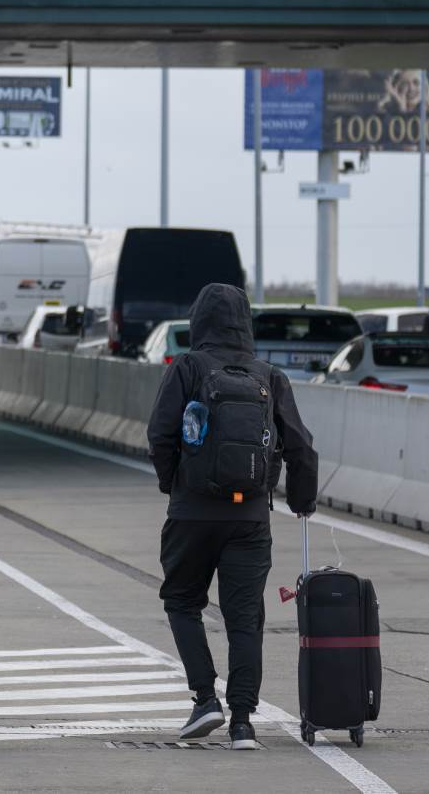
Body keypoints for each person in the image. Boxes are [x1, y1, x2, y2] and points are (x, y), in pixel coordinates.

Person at [147, 282, 318, 751]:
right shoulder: (269, 375)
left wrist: (174, 485)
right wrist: (302, 501)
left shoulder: (188, 367)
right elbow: (302, 446)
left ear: (199, 320)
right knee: (245, 619)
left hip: (192, 512)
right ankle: (243, 721)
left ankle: (205, 699)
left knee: (182, 602)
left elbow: (160, 433)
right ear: (246, 323)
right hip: (249, 518)